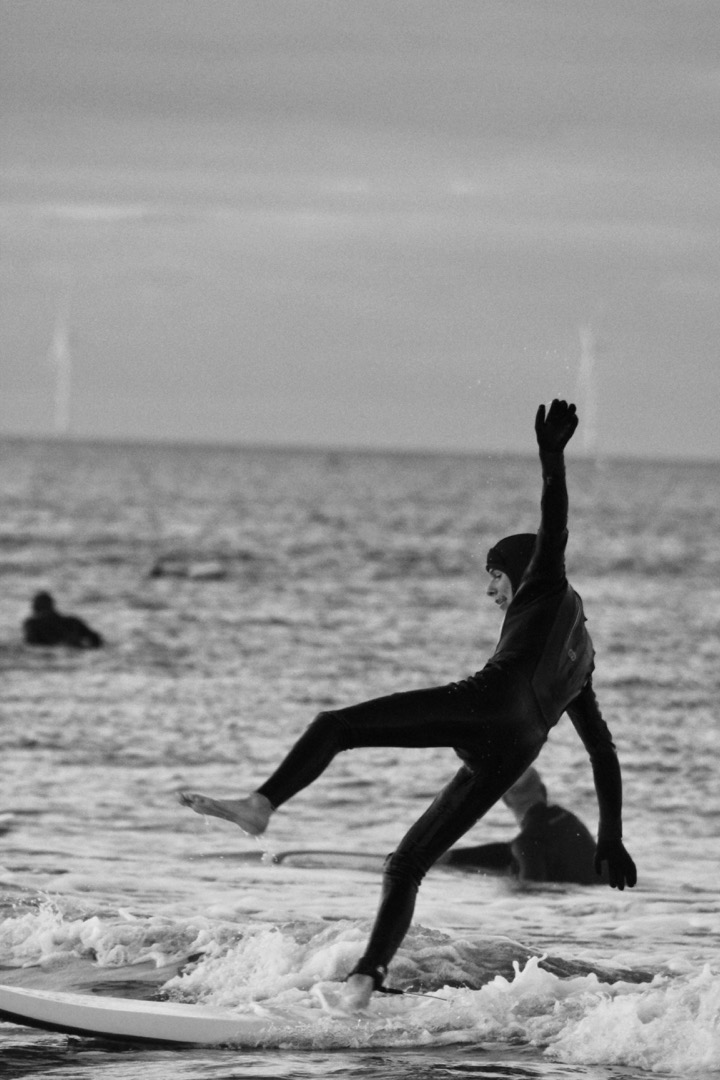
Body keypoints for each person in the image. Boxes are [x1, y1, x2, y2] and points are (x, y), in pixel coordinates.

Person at [180, 399, 636, 1009]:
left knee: (334, 725)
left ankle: (262, 804)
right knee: (407, 863)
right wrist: (612, 837)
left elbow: (554, 525)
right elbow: (601, 750)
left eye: (494, 573)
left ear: (520, 570)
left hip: (490, 704)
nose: (489, 588)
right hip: (516, 745)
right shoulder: (580, 653)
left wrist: (551, 457)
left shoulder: (545, 580)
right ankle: (365, 979)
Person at [439, 765, 609, 884]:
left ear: (505, 801)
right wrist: (450, 857)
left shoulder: (527, 843)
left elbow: (532, 890)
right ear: (543, 790)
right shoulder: (568, 820)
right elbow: (512, 851)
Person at [23, 591, 104, 648]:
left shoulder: (32, 624)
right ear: (52, 606)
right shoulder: (73, 622)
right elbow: (96, 639)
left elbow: (31, 644)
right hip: (75, 652)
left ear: (35, 609)